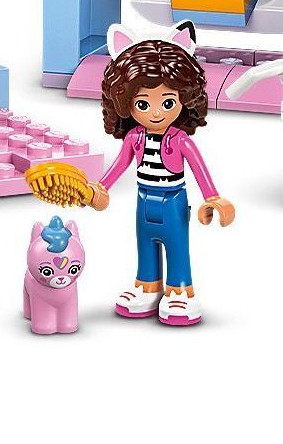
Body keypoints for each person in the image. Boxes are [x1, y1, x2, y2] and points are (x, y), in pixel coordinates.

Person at [90, 26, 234, 325]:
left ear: (185, 99)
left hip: (173, 201)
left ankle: (180, 290)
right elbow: (119, 165)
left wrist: (213, 198)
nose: (155, 113)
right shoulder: (135, 138)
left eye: (167, 103)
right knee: (144, 243)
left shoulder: (180, 140)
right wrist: (99, 188)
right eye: (143, 104)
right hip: (143, 199)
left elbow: (199, 169)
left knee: (177, 246)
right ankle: (147, 286)